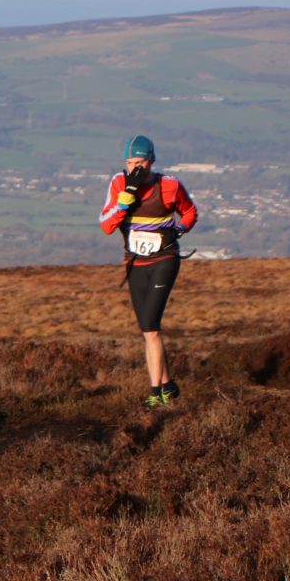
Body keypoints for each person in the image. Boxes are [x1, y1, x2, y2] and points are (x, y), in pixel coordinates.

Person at [99, 134, 199, 408]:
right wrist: (124, 201)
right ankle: (169, 385)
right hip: (135, 263)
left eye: (140, 162)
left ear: (151, 161)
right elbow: (106, 226)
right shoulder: (119, 183)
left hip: (165, 259)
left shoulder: (169, 186)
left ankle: (156, 392)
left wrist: (178, 229)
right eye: (130, 163)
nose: (135, 168)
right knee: (147, 330)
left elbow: (190, 213)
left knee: (151, 328)